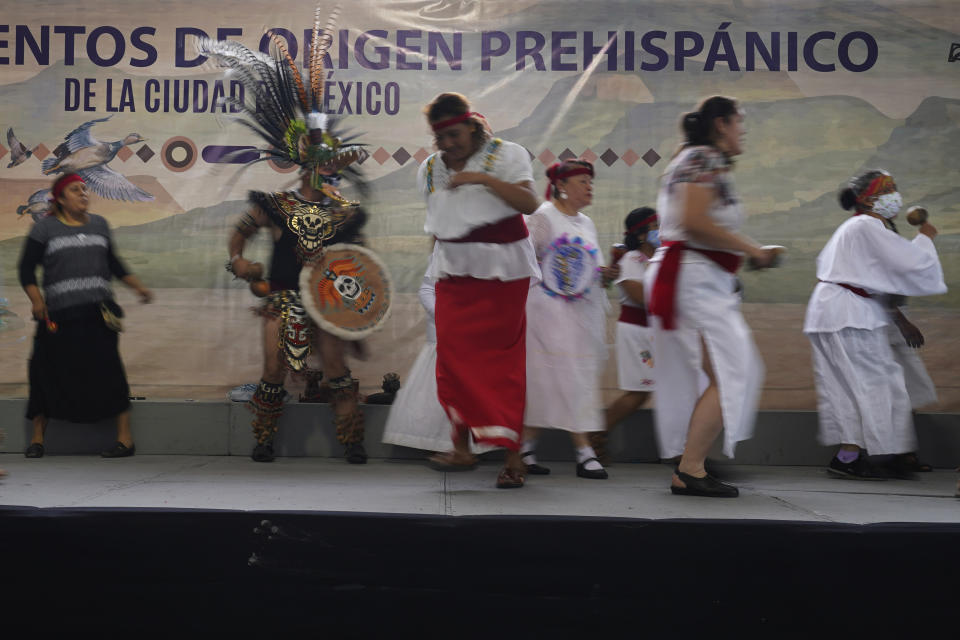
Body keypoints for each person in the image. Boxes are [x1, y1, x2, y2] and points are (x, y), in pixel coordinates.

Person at [200, 12, 373, 464]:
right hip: (282, 299)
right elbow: (240, 231)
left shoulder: (345, 214)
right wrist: (237, 260)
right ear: (305, 158)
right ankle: (264, 439)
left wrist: (360, 311)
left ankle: (352, 441)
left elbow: (360, 264)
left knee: (336, 368)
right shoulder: (276, 205)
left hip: (329, 301)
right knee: (274, 368)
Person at [645, 96, 780, 497]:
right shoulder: (704, 158)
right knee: (734, 370)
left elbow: (693, 223)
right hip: (693, 276)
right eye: (740, 123)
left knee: (719, 371)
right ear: (721, 124)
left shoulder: (690, 158)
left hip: (691, 274)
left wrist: (741, 251)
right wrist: (753, 249)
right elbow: (694, 221)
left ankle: (690, 464)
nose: (743, 132)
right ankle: (690, 467)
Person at [417, 92, 540, 489]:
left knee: (502, 365)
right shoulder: (431, 168)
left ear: (471, 126)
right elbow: (438, 222)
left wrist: (483, 179)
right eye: (442, 138)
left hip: (504, 272)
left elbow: (530, 203)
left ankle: (513, 457)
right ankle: (461, 447)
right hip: (454, 271)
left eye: (455, 135)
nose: (449, 145)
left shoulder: (508, 154)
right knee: (451, 358)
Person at [803, 170, 946, 479]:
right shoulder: (866, 224)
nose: (895, 196)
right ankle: (876, 455)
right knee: (881, 384)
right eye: (888, 190)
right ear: (867, 199)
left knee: (850, 389)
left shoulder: (858, 227)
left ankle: (849, 457)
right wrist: (926, 237)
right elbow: (910, 263)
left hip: (834, 311)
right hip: (848, 314)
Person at [18, 173, 153, 459]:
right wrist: (36, 300)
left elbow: (114, 264)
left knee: (110, 371)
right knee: (43, 370)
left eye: (84, 189)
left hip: (97, 313)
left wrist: (138, 287)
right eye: (75, 189)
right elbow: (26, 269)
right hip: (58, 315)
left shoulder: (100, 226)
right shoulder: (46, 229)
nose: (83, 193)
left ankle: (125, 440)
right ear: (61, 198)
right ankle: (38, 439)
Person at [520, 159, 614, 480]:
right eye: (583, 181)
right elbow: (523, 258)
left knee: (571, 377)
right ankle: (584, 452)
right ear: (562, 185)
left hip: (582, 314)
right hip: (548, 313)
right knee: (555, 377)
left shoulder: (586, 223)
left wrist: (606, 273)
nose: (590, 187)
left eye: (591, 181)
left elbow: (593, 268)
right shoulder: (542, 217)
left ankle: (526, 447)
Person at [382, 256, 495, 456]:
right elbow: (426, 290)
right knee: (441, 389)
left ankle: (472, 446)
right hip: (443, 332)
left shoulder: (488, 252)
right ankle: (439, 444)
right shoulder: (443, 250)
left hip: (476, 334)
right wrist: (446, 317)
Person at [597, 207, 659, 457]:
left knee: (649, 391)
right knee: (639, 392)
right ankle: (596, 435)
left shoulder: (659, 259)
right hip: (637, 332)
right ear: (642, 234)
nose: (661, 231)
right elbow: (641, 297)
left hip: (657, 332)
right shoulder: (631, 260)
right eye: (656, 226)